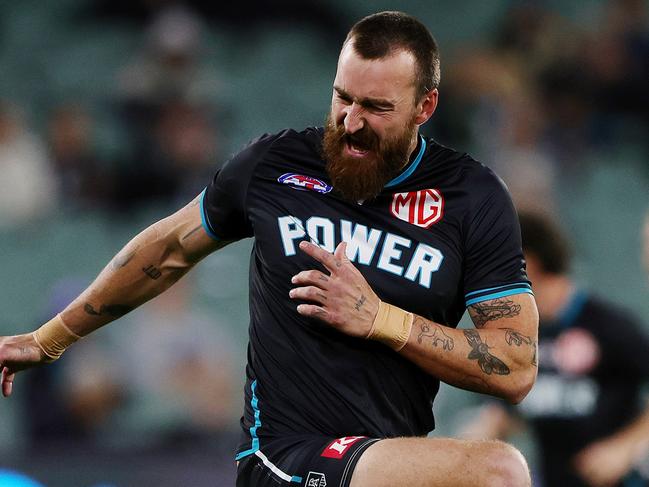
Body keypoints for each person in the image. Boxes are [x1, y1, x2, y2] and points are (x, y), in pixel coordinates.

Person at [0, 12, 539, 487]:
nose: (351, 122)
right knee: (498, 472)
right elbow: (167, 249)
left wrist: (382, 319)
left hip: (387, 461)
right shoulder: (275, 166)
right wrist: (50, 340)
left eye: (376, 107)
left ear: (425, 106)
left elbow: (515, 367)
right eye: (342, 98)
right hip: (285, 459)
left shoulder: (471, 198)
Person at [460, 211, 649, 487]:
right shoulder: (518, 336)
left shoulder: (610, 326)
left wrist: (623, 447)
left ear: (529, 263)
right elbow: (502, 414)